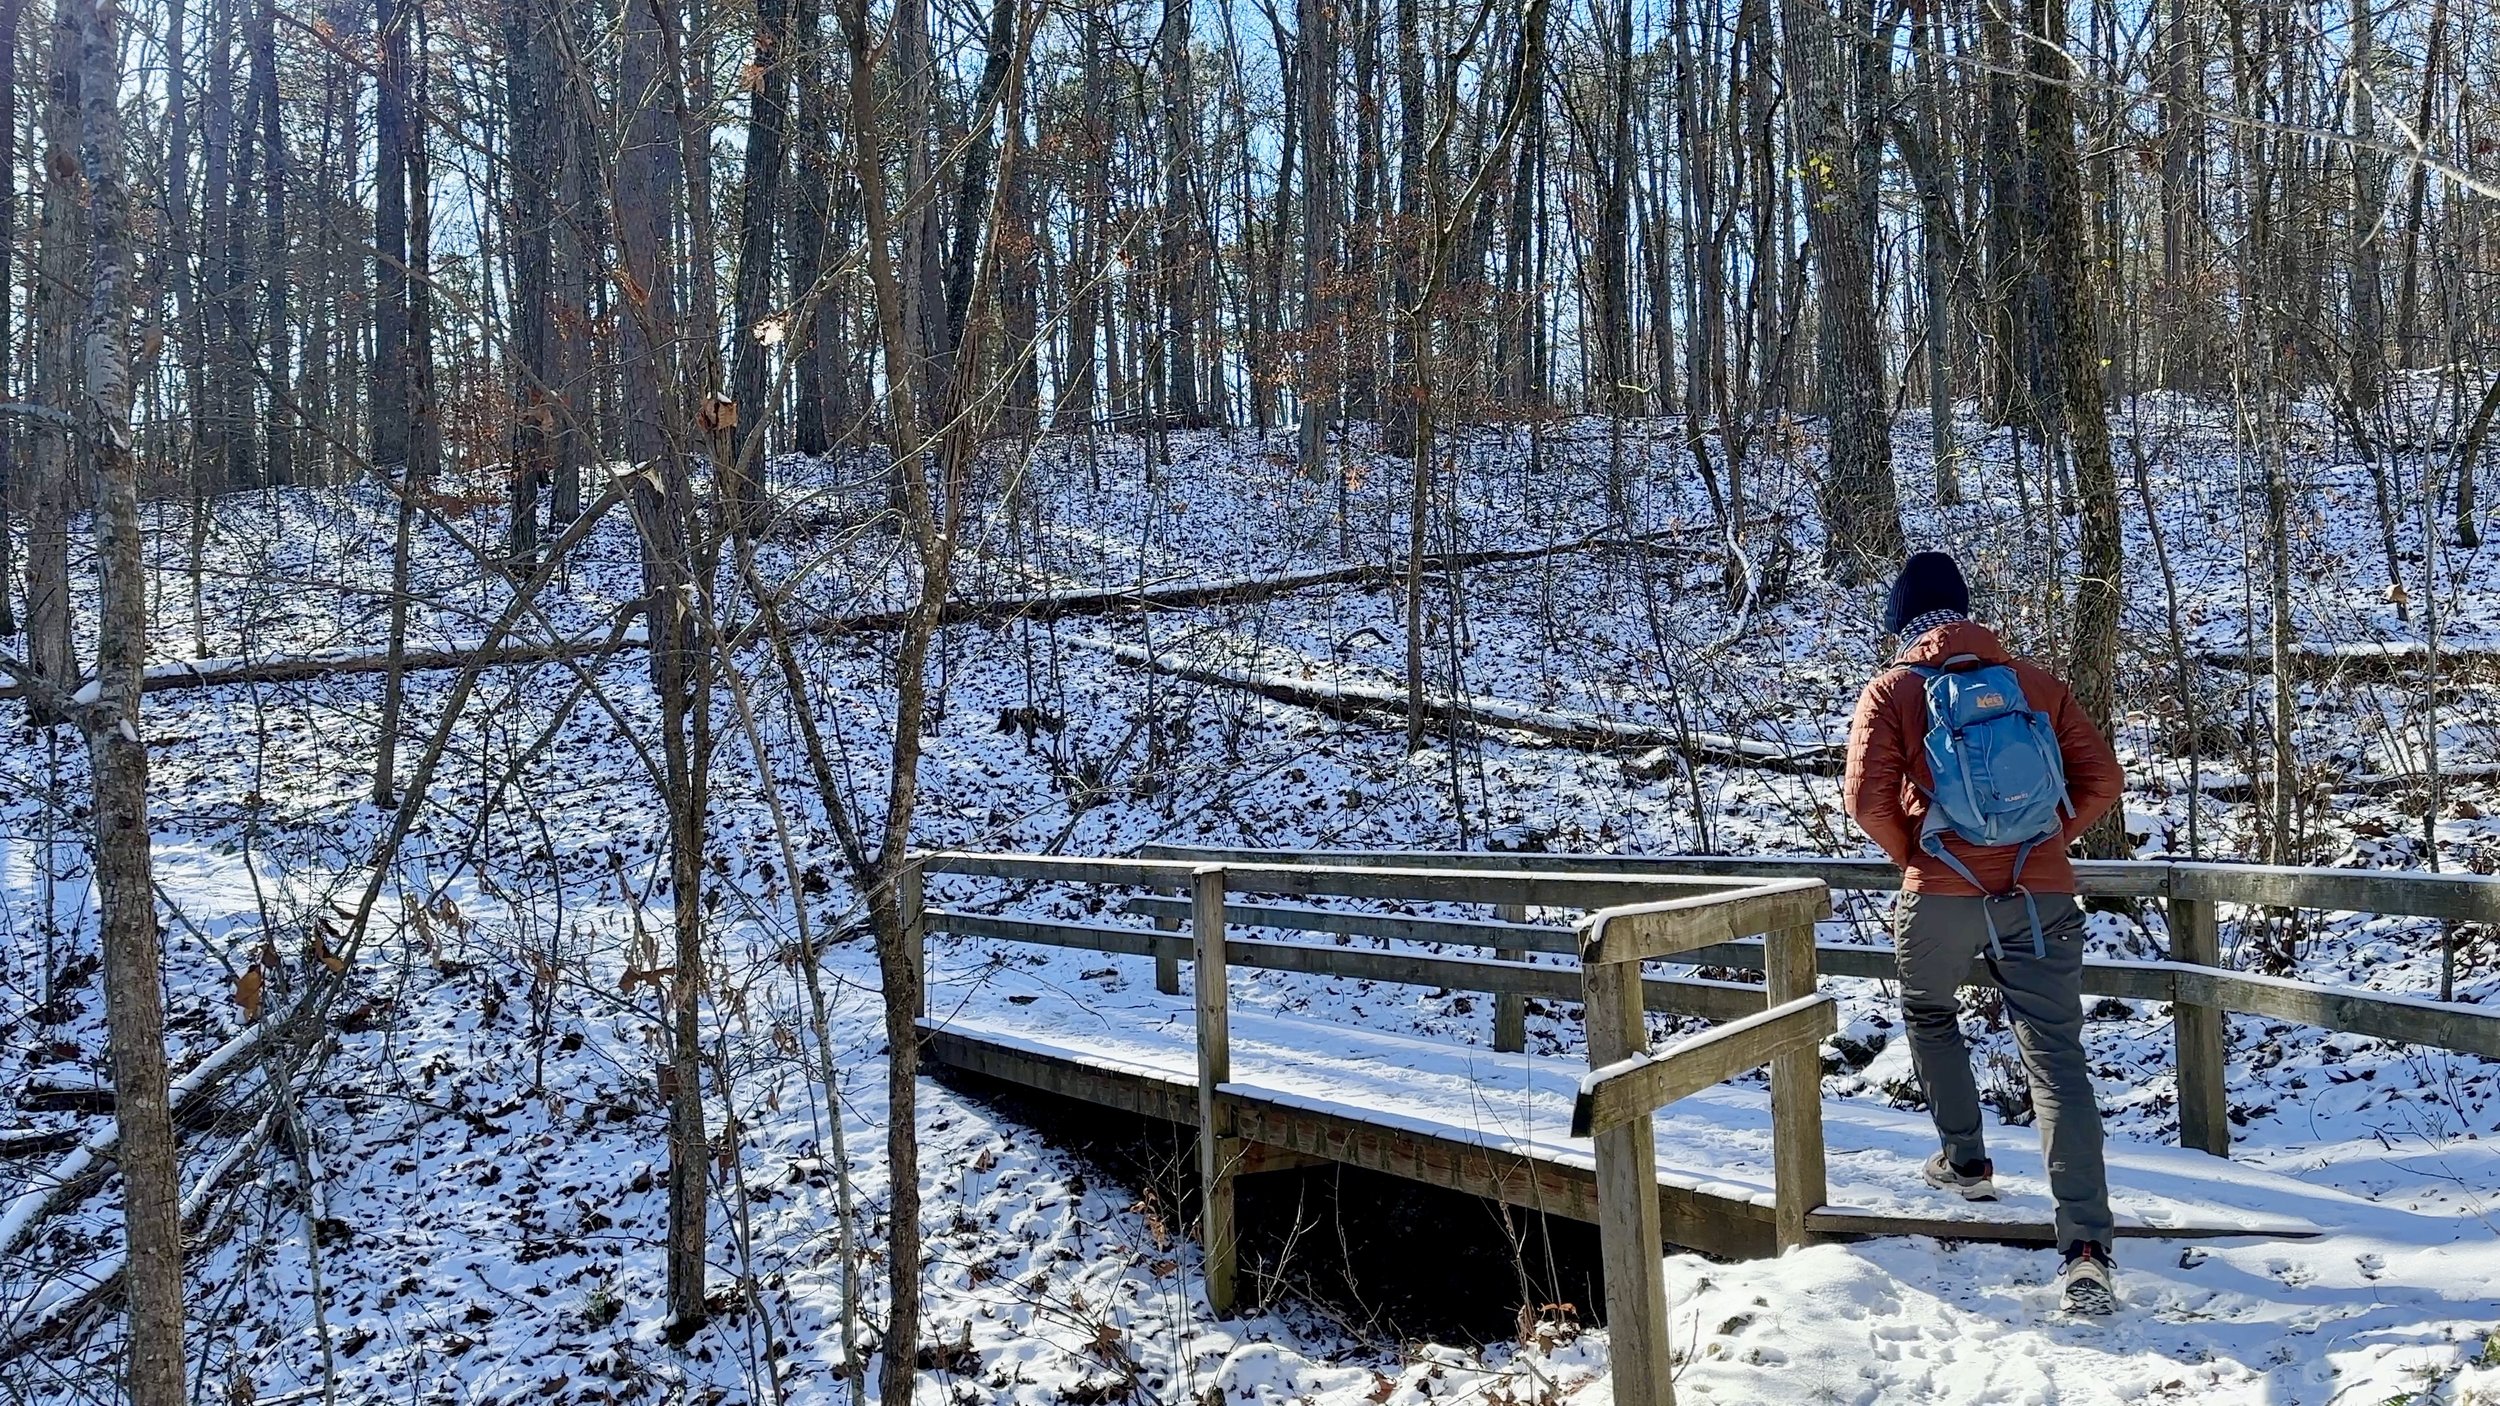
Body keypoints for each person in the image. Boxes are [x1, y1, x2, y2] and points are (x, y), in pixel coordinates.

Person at [1842, 551, 2127, 1315]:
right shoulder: (2032, 684)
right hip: (2041, 894)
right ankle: (2087, 1250)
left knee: (1930, 1012)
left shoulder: (1893, 690)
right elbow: (2104, 780)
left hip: (1940, 890)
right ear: (1967, 612)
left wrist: (1919, 856)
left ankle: (1966, 1161)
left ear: (1903, 620)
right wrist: (2046, 842)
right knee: (2056, 1057)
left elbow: (1867, 801)